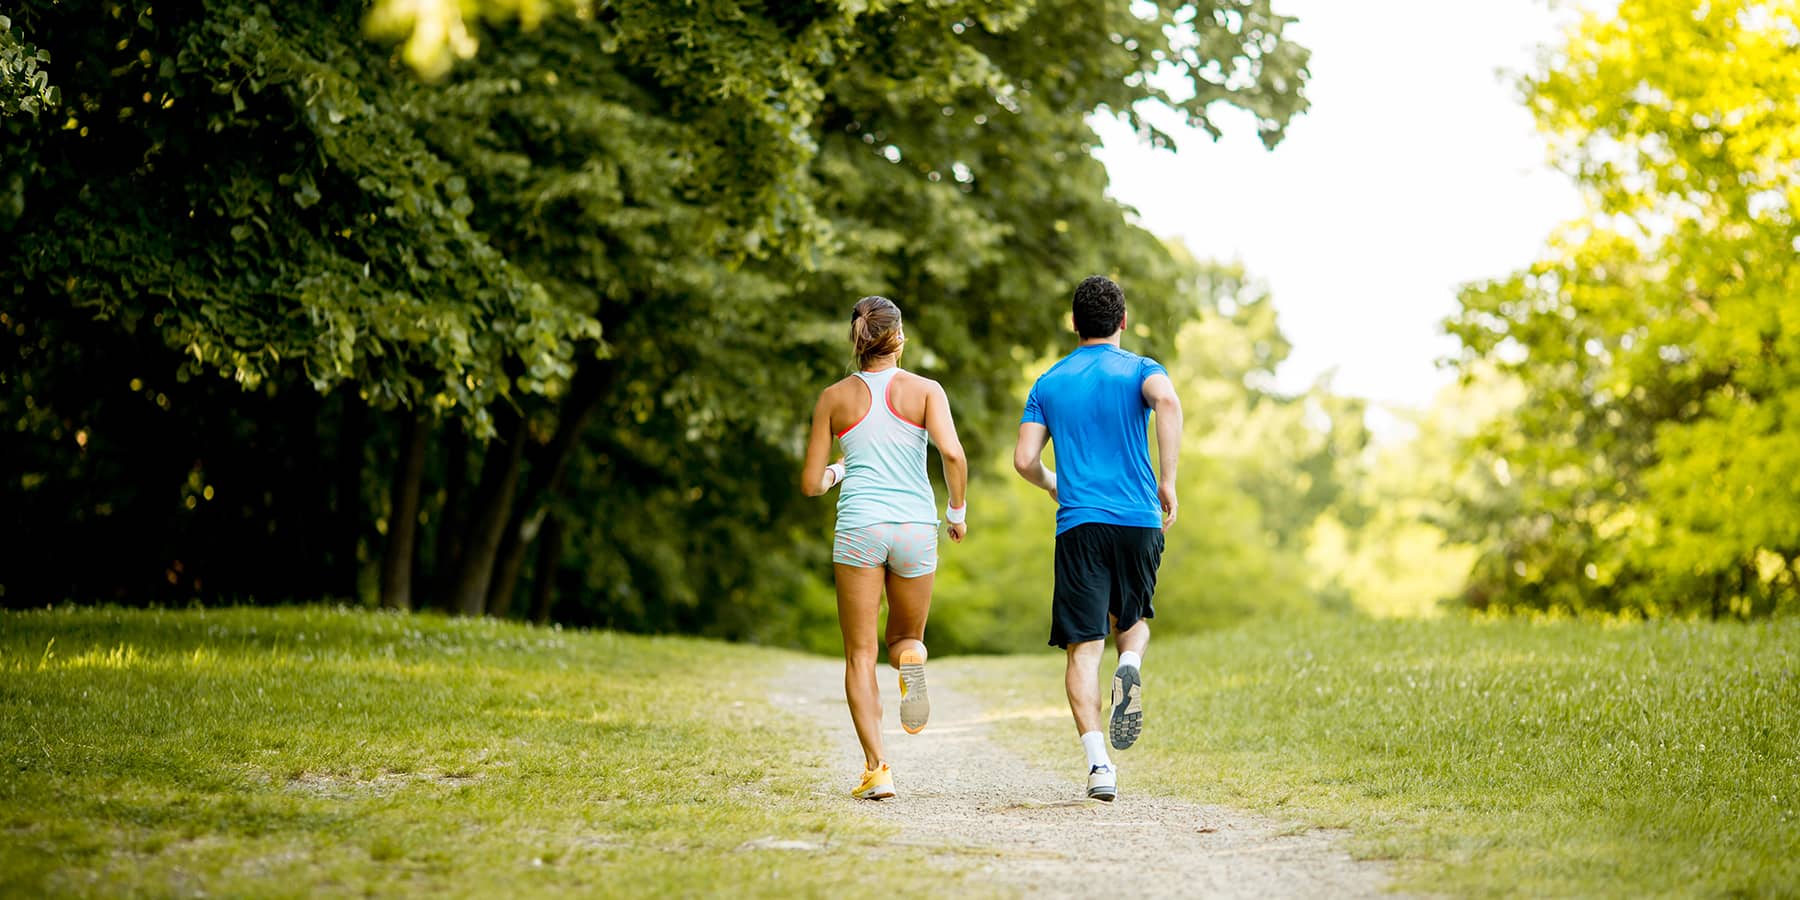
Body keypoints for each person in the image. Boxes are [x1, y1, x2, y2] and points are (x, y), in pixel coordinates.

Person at [1012, 274, 1182, 802]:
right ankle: (1129, 666)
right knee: (1131, 625)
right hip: (1139, 520)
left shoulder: (1049, 382)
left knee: (1084, 650)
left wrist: (1054, 483)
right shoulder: (1141, 369)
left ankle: (1099, 766)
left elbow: (1023, 460)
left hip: (1080, 523)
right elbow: (1168, 403)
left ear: (1074, 323)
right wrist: (1167, 480)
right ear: (1123, 323)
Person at [801, 295, 969, 801]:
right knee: (903, 640)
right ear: (898, 339)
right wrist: (956, 513)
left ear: (857, 339)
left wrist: (840, 469)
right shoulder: (926, 390)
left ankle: (877, 770)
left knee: (860, 653)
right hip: (915, 526)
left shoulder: (835, 398)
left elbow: (811, 483)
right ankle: (913, 658)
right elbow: (954, 454)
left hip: (860, 526)